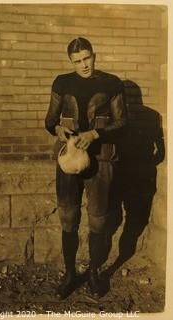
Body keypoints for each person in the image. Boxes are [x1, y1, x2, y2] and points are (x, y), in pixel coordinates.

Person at [45, 37, 127, 299]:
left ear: (94, 55)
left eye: (87, 58)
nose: (83, 65)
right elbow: (50, 120)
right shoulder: (62, 82)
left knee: (98, 219)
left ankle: (93, 272)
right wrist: (58, 129)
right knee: (68, 217)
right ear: (71, 61)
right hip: (69, 159)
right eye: (77, 61)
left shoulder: (111, 83)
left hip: (101, 160)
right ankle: (70, 274)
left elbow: (123, 123)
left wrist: (95, 134)